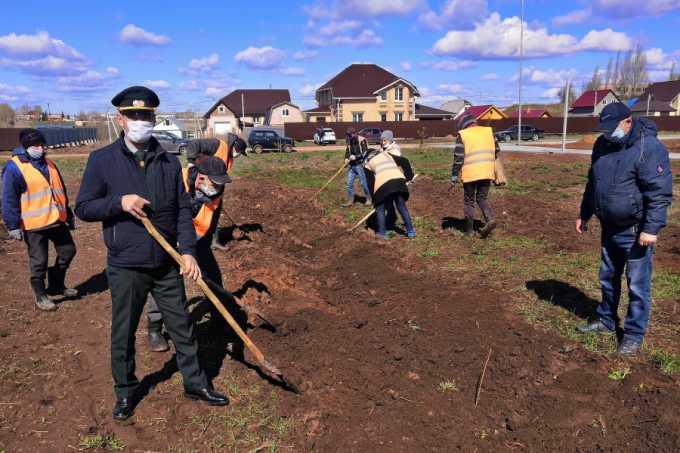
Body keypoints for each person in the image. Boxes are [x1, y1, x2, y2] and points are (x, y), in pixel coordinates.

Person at [75, 86, 228, 421]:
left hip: (165, 262)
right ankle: (126, 391)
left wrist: (187, 252)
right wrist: (119, 203)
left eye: (146, 116)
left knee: (182, 327)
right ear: (121, 119)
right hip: (126, 265)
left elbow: (182, 213)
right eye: (133, 115)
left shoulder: (168, 162)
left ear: (153, 119)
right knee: (124, 331)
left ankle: (195, 383)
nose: (140, 121)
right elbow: (83, 208)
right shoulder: (102, 161)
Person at [575, 102, 673, 355]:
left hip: (635, 229)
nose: (607, 133)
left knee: (637, 285)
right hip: (609, 226)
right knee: (607, 277)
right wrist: (584, 213)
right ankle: (607, 320)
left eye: (612, 127)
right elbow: (592, 182)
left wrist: (650, 228)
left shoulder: (648, 148)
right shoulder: (602, 145)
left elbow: (659, 193)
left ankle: (633, 334)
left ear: (628, 122)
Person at [146, 155, 232, 352]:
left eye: (220, 183)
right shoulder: (177, 181)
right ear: (201, 177)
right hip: (169, 240)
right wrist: (175, 244)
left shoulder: (216, 191)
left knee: (213, 278)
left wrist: (195, 251)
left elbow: (209, 223)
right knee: (167, 285)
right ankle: (155, 328)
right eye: (215, 182)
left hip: (197, 241)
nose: (218, 188)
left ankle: (219, 318)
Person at [2, 128, 77, 311]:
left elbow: (60, 191)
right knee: (39, 261)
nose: (41, 148)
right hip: (33, 225)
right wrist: (12, 226)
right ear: (26, 147)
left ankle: (56, 285)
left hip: (56, 220)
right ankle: (41, 296)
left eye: (42, 145)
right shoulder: (14, 167)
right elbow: (8, 199)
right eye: (36, 145)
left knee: (68, 251)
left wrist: (68, 215)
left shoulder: (50, 163)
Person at [451, 114, 500, 238]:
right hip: (487, 172)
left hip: (470, 174)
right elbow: (497, 150)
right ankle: (490, 219)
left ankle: (469, 230)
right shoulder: (489, 132)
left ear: (464, 125)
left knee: (469, 201)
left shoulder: (463, 135)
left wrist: (454, 175)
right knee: (482, 198)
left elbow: (458, 157)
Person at [364, 146, 416, 240]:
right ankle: (411, 231)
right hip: (399, 181)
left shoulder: (367, 164)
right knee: (401, 206)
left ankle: (382, 233)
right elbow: (404, 160)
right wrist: (409, 177)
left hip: (383, 184)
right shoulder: (387, 154)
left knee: (380, 208)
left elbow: (370, 183)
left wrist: (375, 200)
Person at [343, 127, 371, 207]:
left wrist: (356, 156)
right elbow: (348, 151)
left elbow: (365, 152)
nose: (348, 137)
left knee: (364, 184)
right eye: (348, 136)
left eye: (350, 135)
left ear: (354, 133)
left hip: (360, 165)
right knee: (349, 184)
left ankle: (369, 199)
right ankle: (351, 200)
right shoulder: (349, 141)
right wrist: (346, 158)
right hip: (352, 166)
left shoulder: (362, 140)